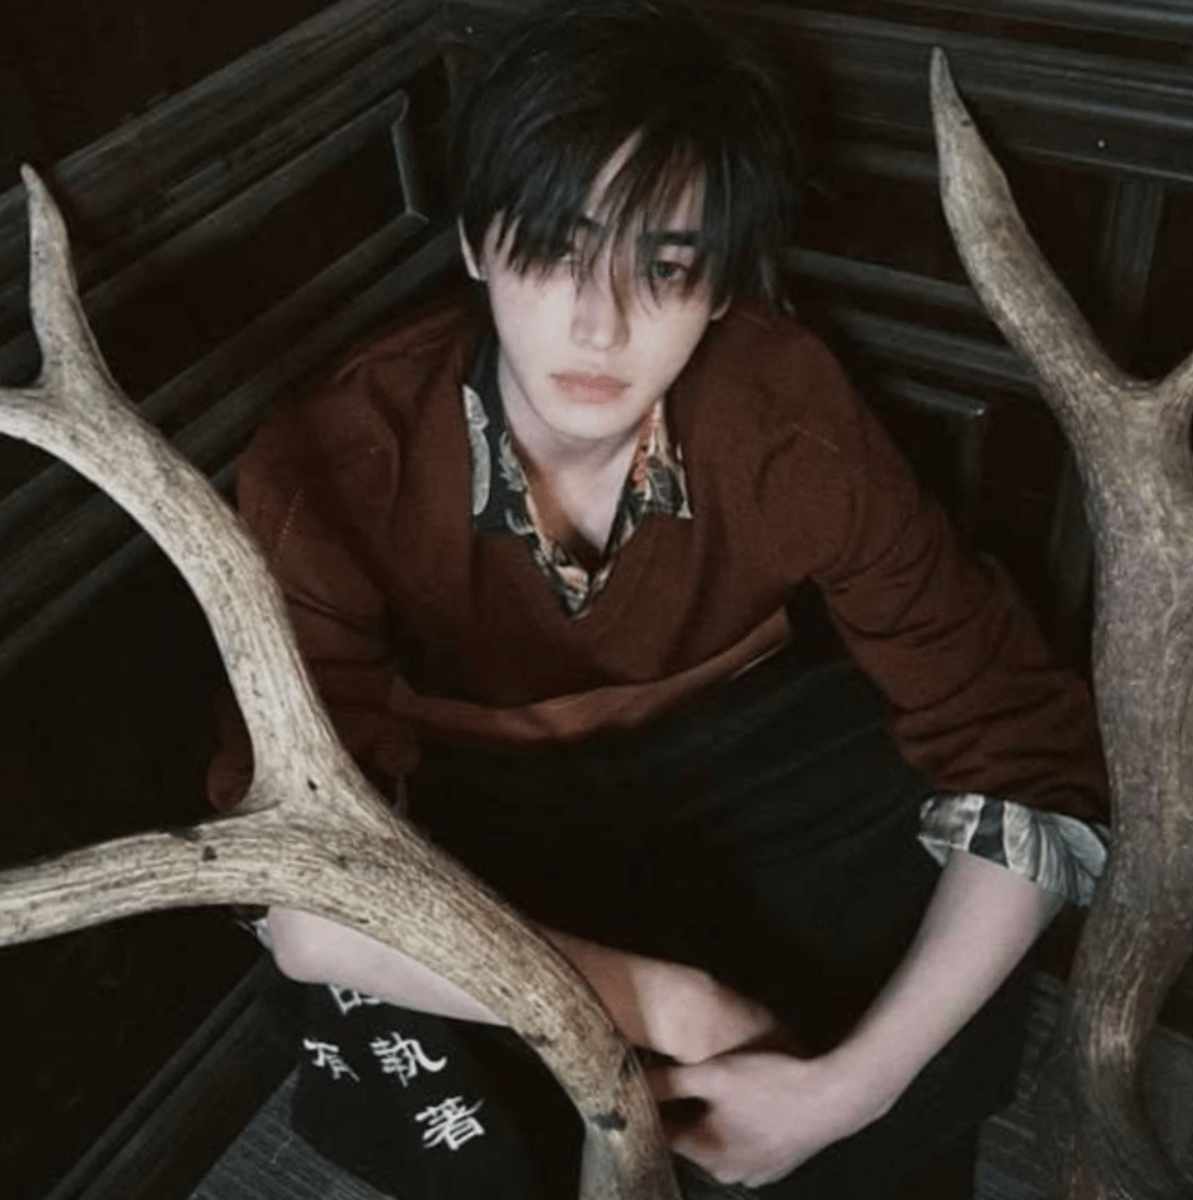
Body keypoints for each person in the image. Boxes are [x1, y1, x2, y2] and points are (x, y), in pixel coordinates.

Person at [208, 2, 1109, 1197]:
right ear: (475, 245)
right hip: (483, 810)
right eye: (554, 250)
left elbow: (1027, 760)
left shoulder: (785, 414)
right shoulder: (338, 458)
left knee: (909, 928)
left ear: (722, 284)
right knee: (418, 1040)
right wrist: (669, 1004)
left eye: (665, 268)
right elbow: (298, 888)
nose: (601, 323)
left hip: (744, 760)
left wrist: (849, 1089)